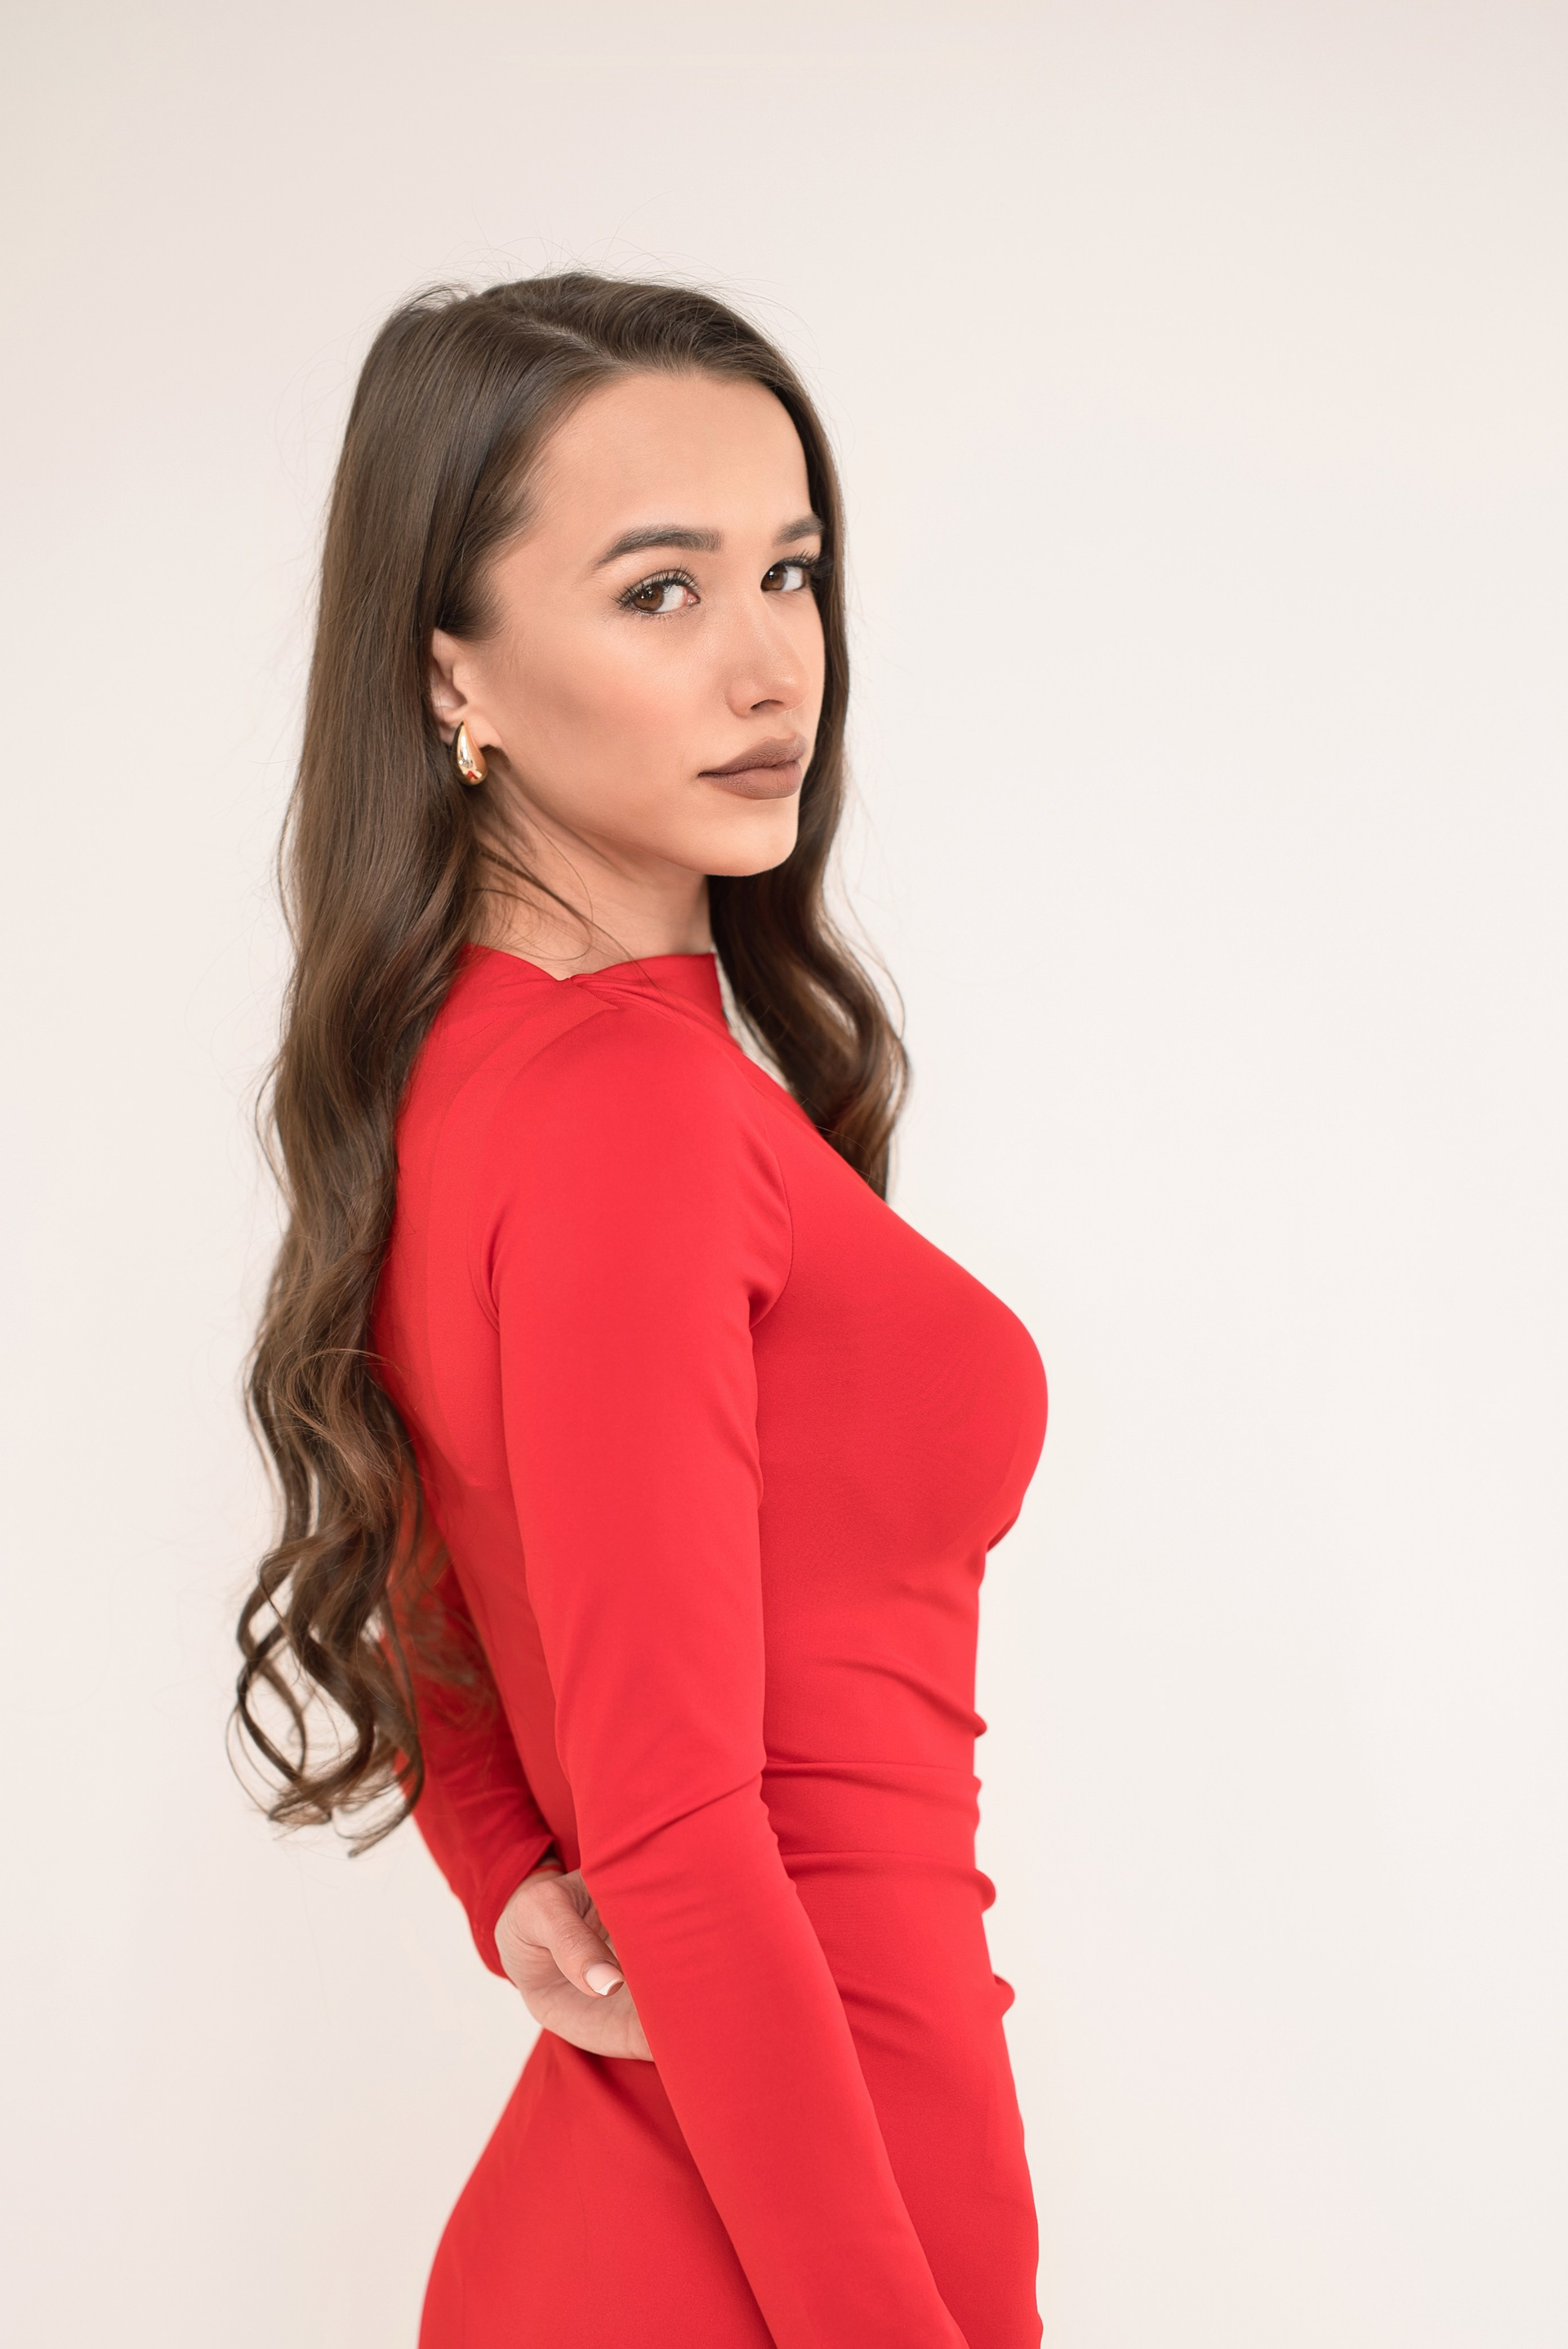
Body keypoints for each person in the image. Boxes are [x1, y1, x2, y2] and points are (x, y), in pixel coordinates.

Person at [236, 270, 1048, 2348]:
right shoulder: (631, 1113)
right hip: (789, 2240)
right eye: (660, 592)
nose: (772, 666)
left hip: (729, 2202)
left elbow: (426, 1541)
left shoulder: (479, 1070)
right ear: (454, 672)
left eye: (792, 571)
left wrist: (503, 1852)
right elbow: (681, 1825)